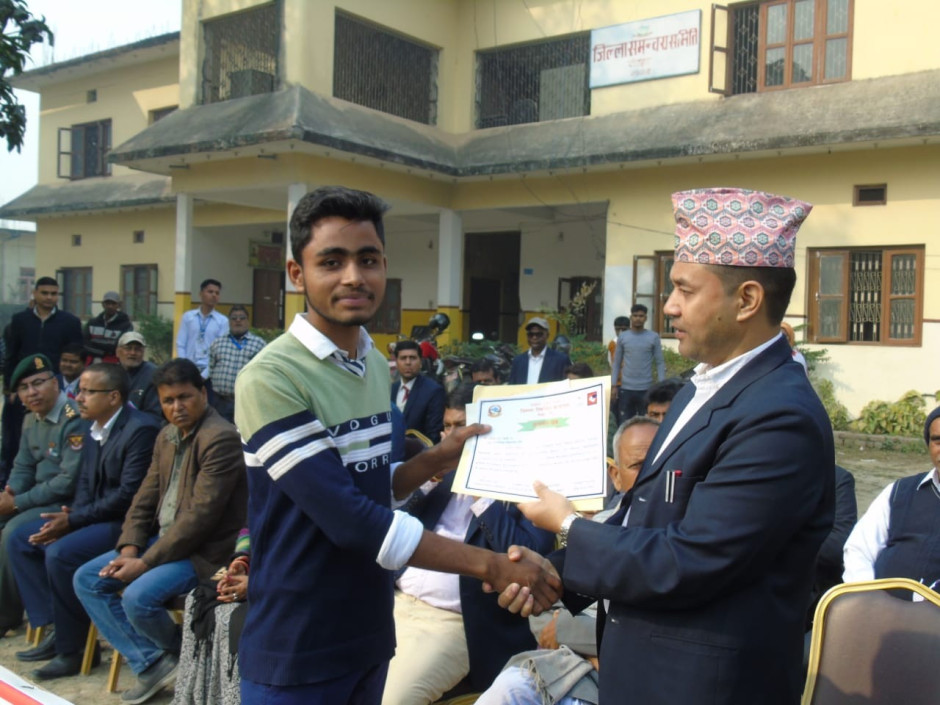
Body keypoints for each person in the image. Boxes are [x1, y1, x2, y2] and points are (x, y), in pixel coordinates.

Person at [498, 187, 835, 705]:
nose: (669, 306)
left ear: (746, 300)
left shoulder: (780, 417)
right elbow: (643, 519)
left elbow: (692, 559)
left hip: (701, 687)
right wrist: (556, 573)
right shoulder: (699, 389)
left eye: (684, 289)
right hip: (641, 672)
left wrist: (569, 526)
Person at [233, 186, 559, 704]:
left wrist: (438, 456)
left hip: (369, 628)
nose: (353, 277)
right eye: (331, 262)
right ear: (297, 274)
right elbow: (350, 520)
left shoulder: (367, 362)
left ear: (384, 265)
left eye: (367, 260)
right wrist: (492, 565)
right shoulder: (271, 378)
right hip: (299, 638)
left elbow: (368, 488)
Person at [73, 358, 247, 705]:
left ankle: (182, 656)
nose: (176, 407)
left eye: (184, 397)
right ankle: (154, 661)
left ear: (203, 394)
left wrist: (145, 562)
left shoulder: (220, 438)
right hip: (162, 543)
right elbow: (144, 498)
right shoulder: (166, 435)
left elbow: (200, 518)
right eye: (168, 400)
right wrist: (129, 548)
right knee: (87, 578)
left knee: (139, 597)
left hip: (204, 552)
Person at [383, 383, 557, 704]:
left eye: (462, 427)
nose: (453, 436)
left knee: (390, 700)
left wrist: (482, 489)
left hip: (453, 624)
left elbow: (527, 558)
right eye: (447, 427)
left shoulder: (532, 487)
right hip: (392, 602)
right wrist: (429, 478)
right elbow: (392, 520)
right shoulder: (439, 472)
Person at [477, 417, 660, 705]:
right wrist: (586, 648)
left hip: (634, 677)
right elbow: (543, 614)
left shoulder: (685, 538)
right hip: (566, 664)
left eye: (659, 465)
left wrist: (567, 632)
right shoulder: (596, 527)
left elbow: (661, 634)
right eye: (638, 466)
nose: (651, 476)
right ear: (615, 475)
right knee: (507, 690)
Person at [8, 363, 160, 679]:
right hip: (98, 517)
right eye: (80, 391)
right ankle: (54, 626)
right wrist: (70, 518)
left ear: (114, 397)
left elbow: (127, 496)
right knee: (25, 537)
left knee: (61, 553)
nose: (78, 397)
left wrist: (74, 520)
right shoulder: (95, 427)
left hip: (130, 525)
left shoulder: (140, 430)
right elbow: (86, 486)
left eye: (89, 392)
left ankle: (73, 651)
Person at [0, 354, 88, 638]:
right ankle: (9, 610)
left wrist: (17, 503)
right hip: (37, 499)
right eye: (24, 388)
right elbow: (23, 467)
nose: (32, 392)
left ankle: (33, 619)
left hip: (67, 504)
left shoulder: (74, 418)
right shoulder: (30, 420)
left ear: (55, 383)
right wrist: (9, 493)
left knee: (13, 532)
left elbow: (67, 482)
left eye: (38, 383)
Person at [842, 406, 940, 594]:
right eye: (938, 441)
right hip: (879, 607)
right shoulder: (899, 492)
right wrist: (868, 598)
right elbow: (859, 549)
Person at [2, 277, 83, 478]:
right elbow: (11, 355)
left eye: (53, 294)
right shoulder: (20, 320)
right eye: (45, 293)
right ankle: (8, 482)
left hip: (54, 390)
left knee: (53, 437)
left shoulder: (70, 322)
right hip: (22, 390)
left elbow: (76, 356)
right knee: (14, 438)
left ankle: (47, 478)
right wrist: (10, 389)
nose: (49, 297)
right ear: (35, 293)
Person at [173, 529, 250, 705]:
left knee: (230, 619)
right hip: (258, 573)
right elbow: (249, 529)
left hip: (286, 588)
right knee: (197, 600)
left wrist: (256, 584)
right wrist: (241, 562)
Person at [208, 305, 266, 423]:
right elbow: (210, 368)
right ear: (229, 322)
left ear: (248, 321)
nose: (238, 321)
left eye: (242, 318)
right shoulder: (217, 343)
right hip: (220, 402)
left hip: (245, 401)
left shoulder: (259, 344)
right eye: (234, 318)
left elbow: (263, 372)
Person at [610, 304, 665, 424]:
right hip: (626, 389)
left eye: (641, 316)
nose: (638, 318)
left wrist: (662, 384)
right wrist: (613, 386)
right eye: (635, 316)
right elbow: (617, 363)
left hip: (646, 388)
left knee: (646, 422)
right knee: (624, 423)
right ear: (631, 317)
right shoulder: (623, 337)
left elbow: (660, 362)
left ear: (646, 318)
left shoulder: (653, 337)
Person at [391, 340, 446, 443]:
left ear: (420, 362)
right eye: (403, 358)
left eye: (412, 358)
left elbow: (434, 435)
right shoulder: (391, 389)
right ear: (396, 363)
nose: (408, 362)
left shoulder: (433, 391)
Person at [175, 279, 228, 380]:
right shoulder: (188, 317)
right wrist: (184, 367)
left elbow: (220, 351)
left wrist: (204, 375)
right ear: (200, 294)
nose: (214, 295)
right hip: (188, 369)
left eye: (217, 293)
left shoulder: (222, 321)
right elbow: (180, 344)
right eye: (210, 292)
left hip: (210, 372)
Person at [116, 331, 163, 422]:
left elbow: (155, 414)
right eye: (128, 348)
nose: (133, 353)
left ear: (143, 352)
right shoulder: (111, 374)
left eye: (137, 349)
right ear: (118, 352)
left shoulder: (153, 374)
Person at [508, 318, 571, 385]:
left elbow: (568, 385)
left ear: (547, 335)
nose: (534, 337)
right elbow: (512, 387)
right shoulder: (518, 361)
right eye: (531, 334)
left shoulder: (560, 360)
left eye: (538, 334)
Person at [84, 291, 134, 364]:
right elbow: (84, 343)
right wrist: (103, 351)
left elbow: (117, 347)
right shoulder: (92, 323)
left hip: (114, 365)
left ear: (119, 305)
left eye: (113, 303)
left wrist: (94, 342)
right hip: (91, 364)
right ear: (103, 304)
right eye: (107, 303)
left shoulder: (126, 325)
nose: (110, 306)